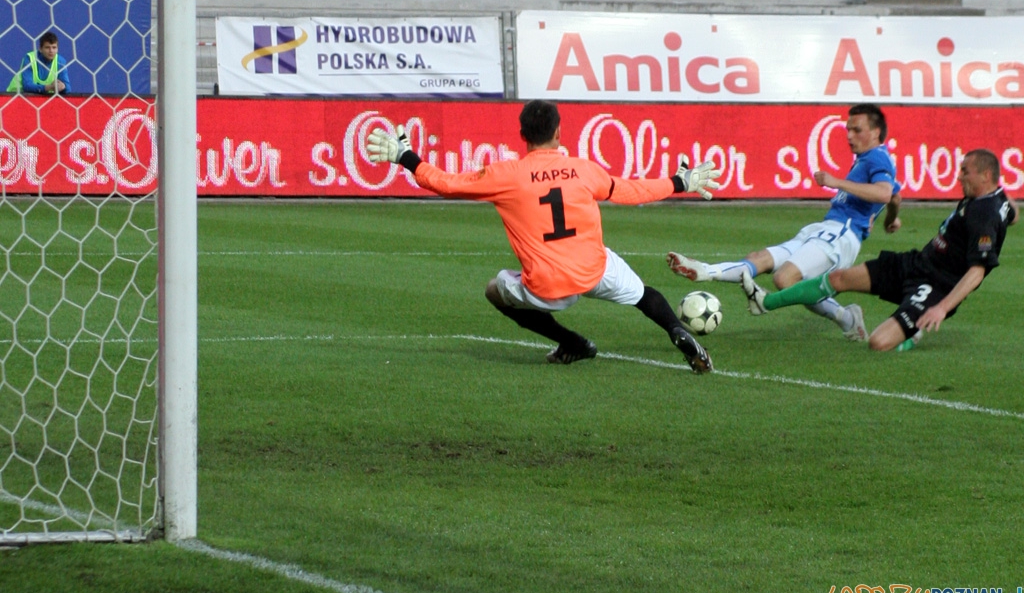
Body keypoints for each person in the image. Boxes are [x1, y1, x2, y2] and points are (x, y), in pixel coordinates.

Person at [366, 99, 722, 373]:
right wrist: (679, 182)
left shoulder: (506, 175)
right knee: (644, 294)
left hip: (549, 288)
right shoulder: (583, 169)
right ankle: (676, 329)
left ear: (522, 135)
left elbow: (445, 183)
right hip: (594, 268)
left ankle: (572, 342)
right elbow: (629, 191)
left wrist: (407, 157)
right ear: (558, 133)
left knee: (495, 290)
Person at [740, 149, 1018, 351]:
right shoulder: (993, 197)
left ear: (986, 174)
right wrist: (1007, 207)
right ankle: (766, 302)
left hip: (936, 287)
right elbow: (1011, 212)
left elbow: (977, 272)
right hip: (918, 263)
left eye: (965, 171)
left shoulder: (985, 212)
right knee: (840, 278)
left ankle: (915, 327)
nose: (959, 177)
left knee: (878, 343)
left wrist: (942, 308)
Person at [666, 103, 901, 342]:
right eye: (848, 129)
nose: (849, 136)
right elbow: (894, 195)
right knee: (760, 259)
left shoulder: (877, 157)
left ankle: (846, 319)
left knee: (785, 279)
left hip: (841, 235)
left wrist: (836, 182)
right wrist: (891, 219)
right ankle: (706, 271)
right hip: (824, 229)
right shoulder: (867, 159)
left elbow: (883, 193)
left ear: (875, 132)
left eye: (857, 130)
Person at [6, 32, 70, 95]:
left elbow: (68, 88)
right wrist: (48, 87)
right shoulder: (29, 59)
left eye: (54, 47)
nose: (51, 51)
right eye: (47, 47)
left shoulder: (60, 62)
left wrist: (63, 86)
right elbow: (27, 86)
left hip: (40, 99)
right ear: (40, 49)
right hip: (15, 96)